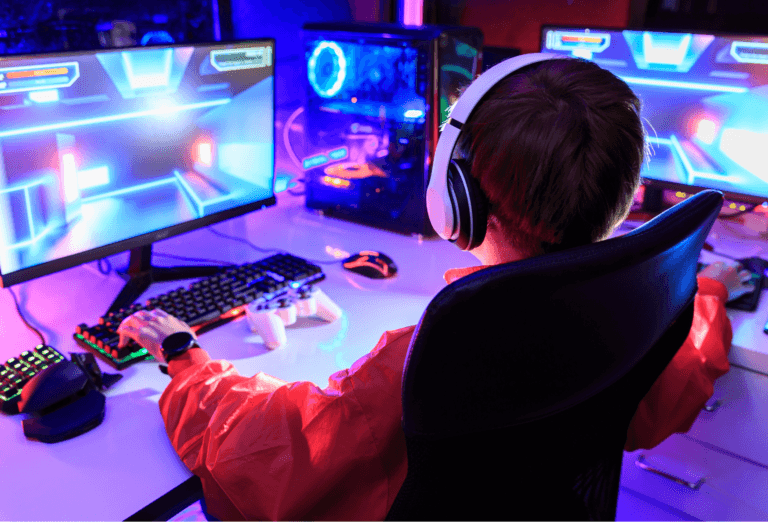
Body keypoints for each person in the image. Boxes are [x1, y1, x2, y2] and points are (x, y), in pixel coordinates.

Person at [117, 57, 753, 521]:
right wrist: (707, 291)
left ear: (457, 199)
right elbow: (673, 384)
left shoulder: (444, 351)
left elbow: (273, 454)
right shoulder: (628, 306)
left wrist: (189, 364)